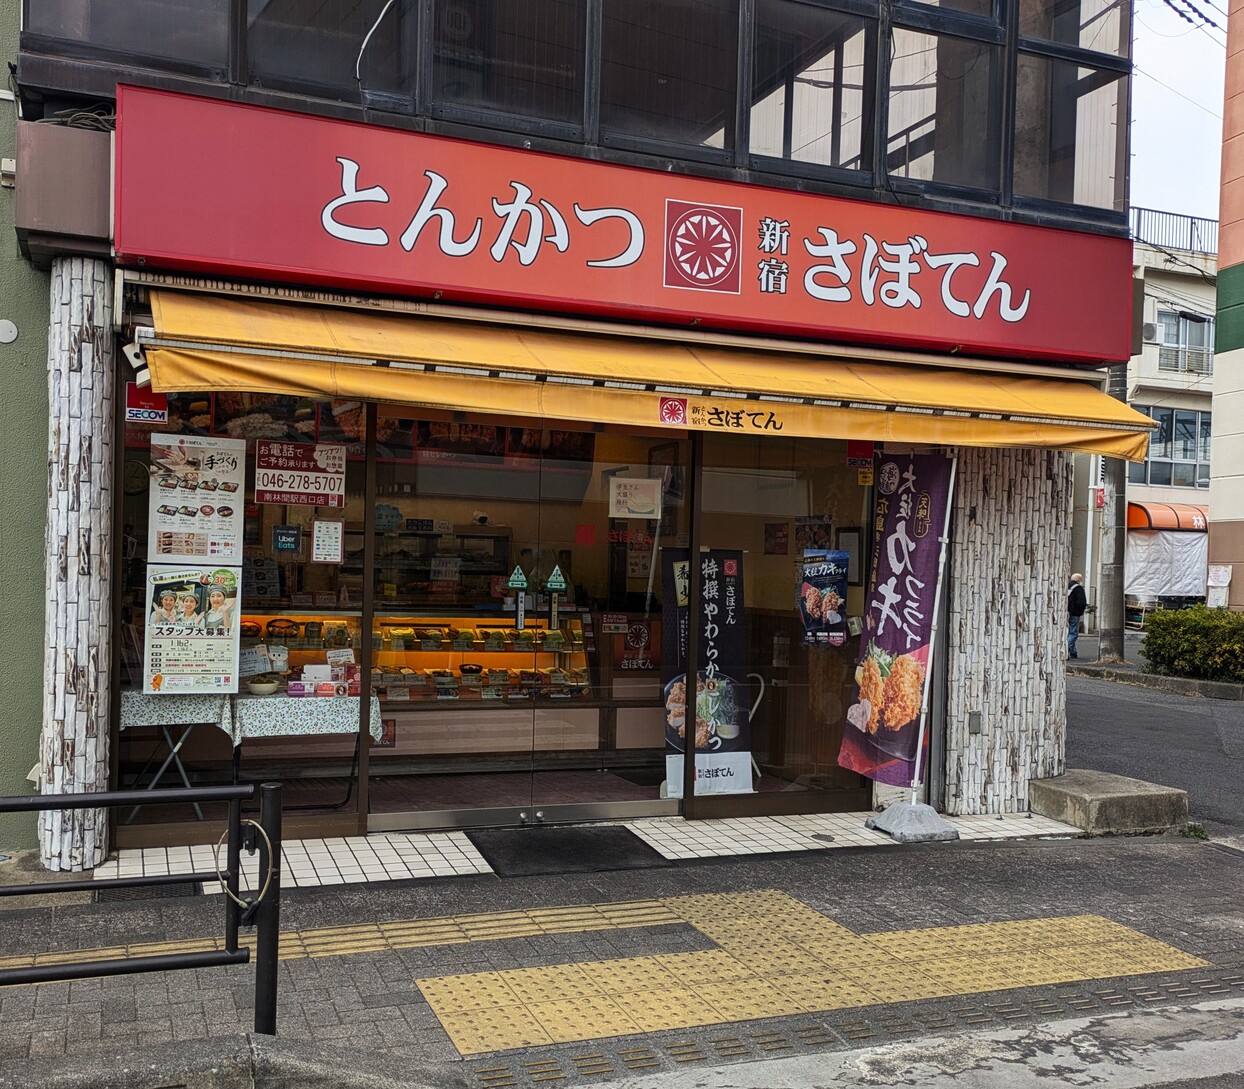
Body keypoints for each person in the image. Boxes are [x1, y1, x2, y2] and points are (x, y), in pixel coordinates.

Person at [1067, 573, 1087, 659]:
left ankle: (1073, 652)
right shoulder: (1078, 589)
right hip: (1074, 613)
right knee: (1073, 633)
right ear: (1078, 580)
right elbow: (1081, 602)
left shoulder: (1066, 586)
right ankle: (1066, 649)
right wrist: (1080, 610)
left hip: (1065, 612)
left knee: (1068, 632)